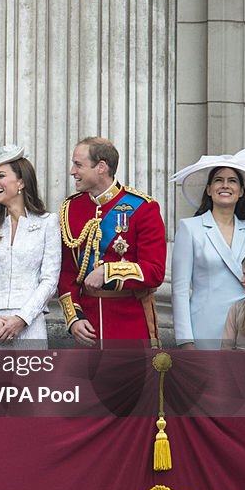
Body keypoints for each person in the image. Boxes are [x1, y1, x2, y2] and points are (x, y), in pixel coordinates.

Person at [57, 137, 166, 348]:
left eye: (78, 165)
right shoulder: (71, 208)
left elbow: (155, 271)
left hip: (129, 324)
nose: (72, 171)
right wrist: (74, 318)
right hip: (88, 327)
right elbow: (67, 272)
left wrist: (108, 272)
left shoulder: (143, 208)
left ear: (101, 167)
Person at [170, 148, 245, 349]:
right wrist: (185, 340)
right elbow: (179, 289)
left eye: (232, 181)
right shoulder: (190, 228)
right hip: (205, 329)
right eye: (219, 180)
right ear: (209, 189)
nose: (225, 185)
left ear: (240, 192)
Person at [0, 145, 61, 348]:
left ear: (20, 182)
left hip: (29, 326)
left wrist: (22, 318)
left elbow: (49, 280)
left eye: (0, 175)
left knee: (30, 381)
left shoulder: (48, 223)